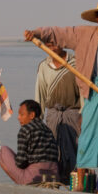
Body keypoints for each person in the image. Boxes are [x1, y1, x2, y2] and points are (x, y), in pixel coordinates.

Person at [25, 0, 98, 194]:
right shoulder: (83, 35)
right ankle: (80, 185)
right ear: (97, 18)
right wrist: (37, 33)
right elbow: (59, 33)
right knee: (85, 138)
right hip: (91, 93)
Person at [34, 41, 81, 183]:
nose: (52, 48)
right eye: (48, 45)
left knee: (75, 149)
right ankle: (52, 184)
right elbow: (40, 93)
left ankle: (74, 184)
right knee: (51, 150)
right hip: (53, 114)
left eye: (55, 44)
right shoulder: (44, 66)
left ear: (62, 44)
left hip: (73, 114)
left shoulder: (76, 63)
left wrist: (85, 114)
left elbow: (85, 92)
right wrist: (37, 119)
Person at [0, 100, 59, 184]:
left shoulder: (25, 129)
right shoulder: (48, 130)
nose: (18, 118)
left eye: (22, 114)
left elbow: (20, 163)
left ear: (32, 115)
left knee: (2, 151)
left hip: (34, 177)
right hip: (54, 177)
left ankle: (23, 184)